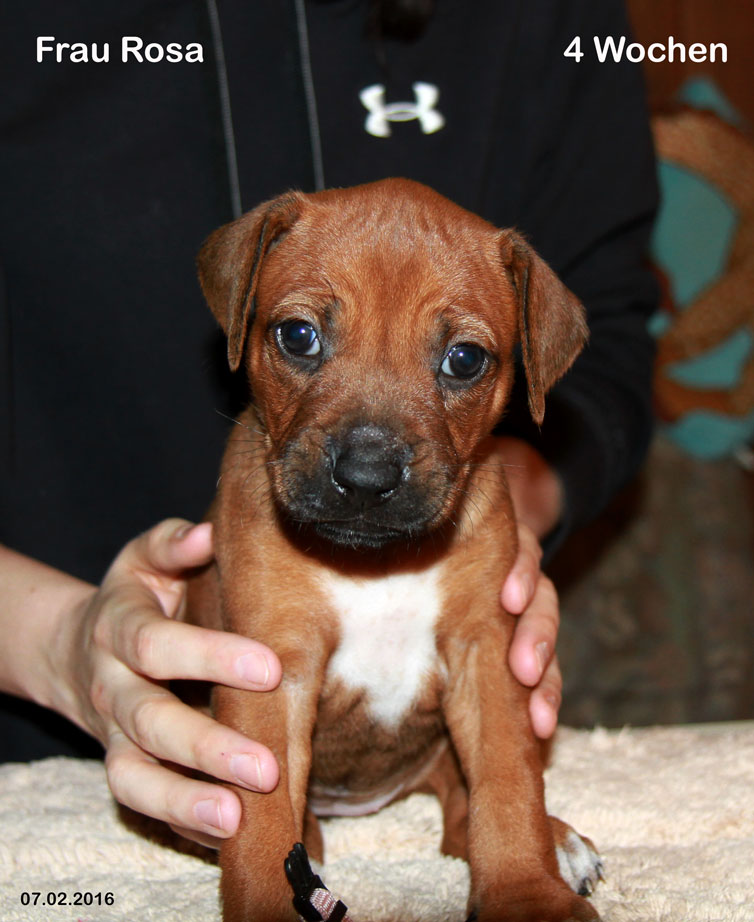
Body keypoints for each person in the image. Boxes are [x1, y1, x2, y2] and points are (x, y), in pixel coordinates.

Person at [0, 0, 657, 849]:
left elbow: (610, 325)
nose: (368, 465)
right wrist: (54, 637)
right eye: (300, 338)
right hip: (42, 741)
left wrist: (505, 510)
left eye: (461, 360)